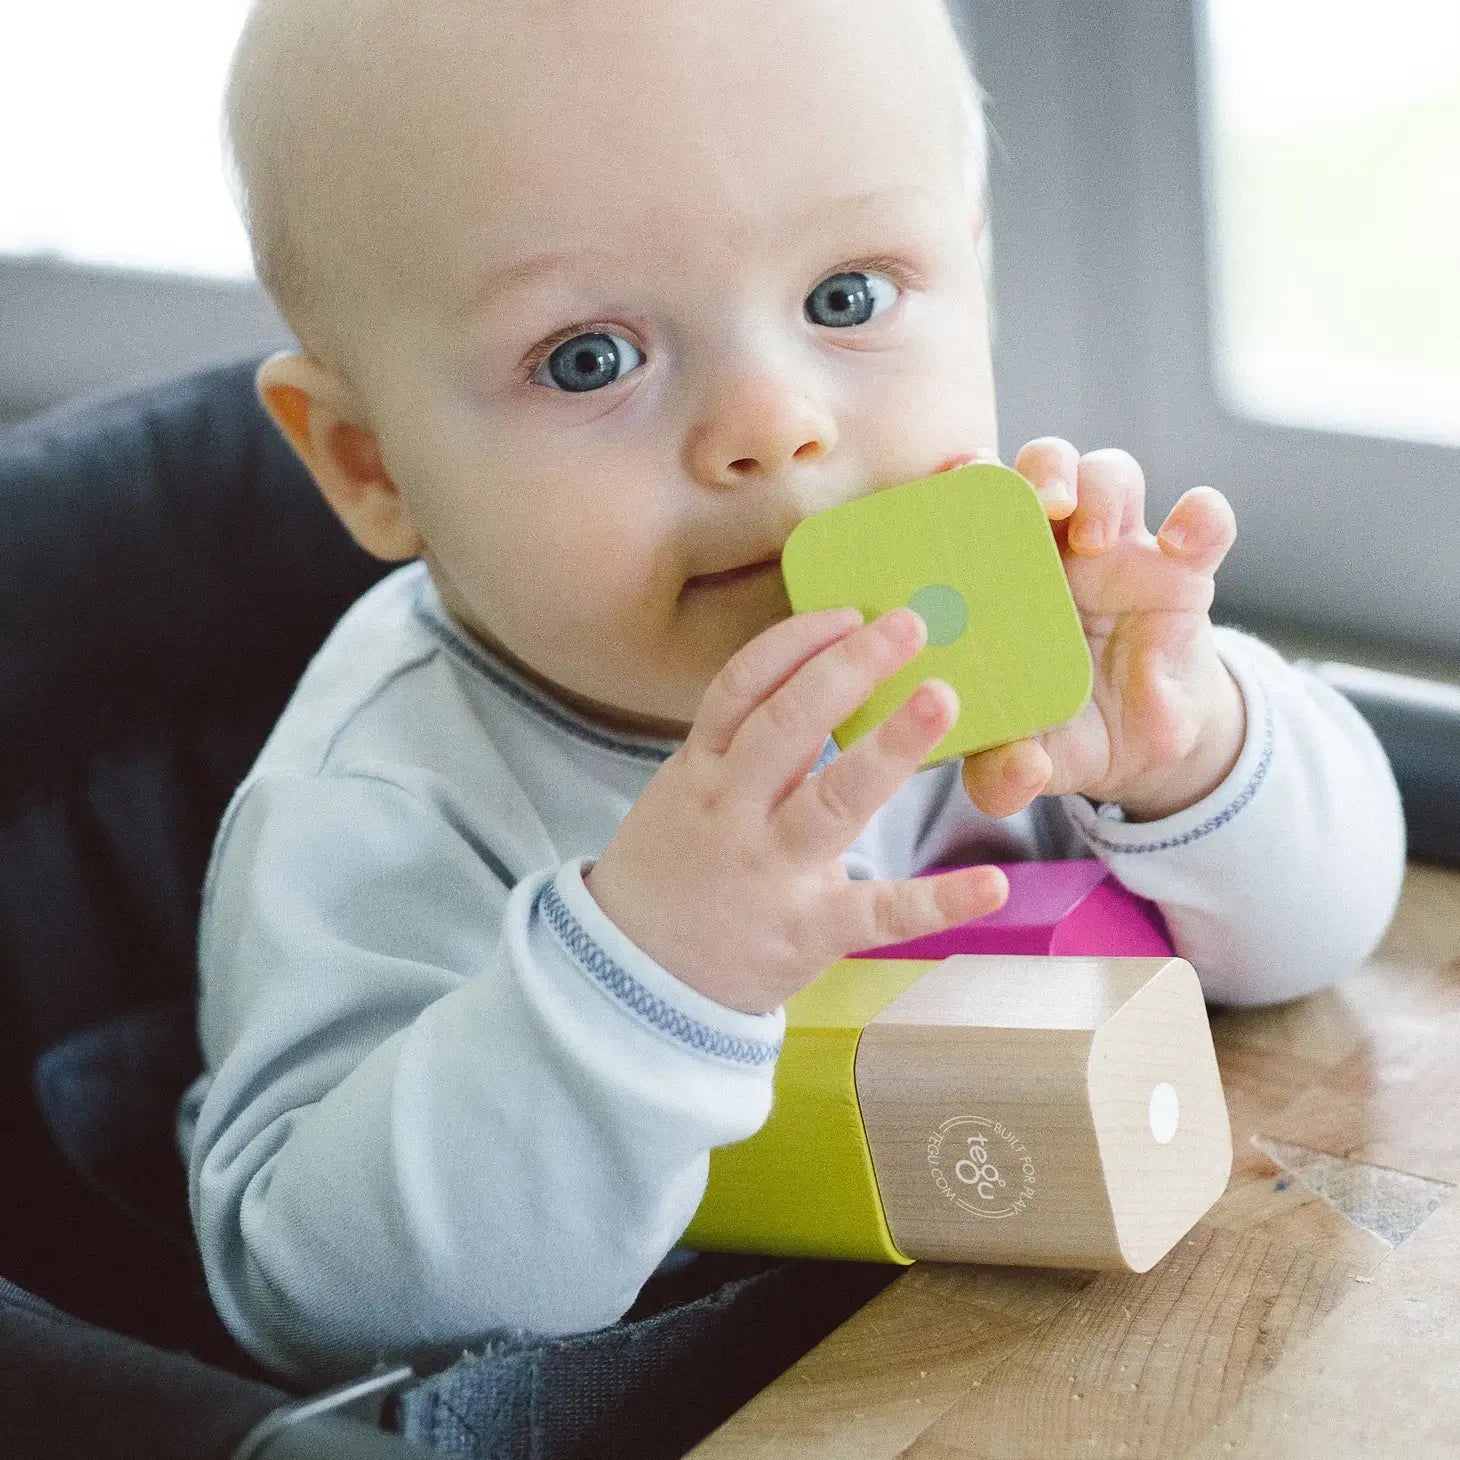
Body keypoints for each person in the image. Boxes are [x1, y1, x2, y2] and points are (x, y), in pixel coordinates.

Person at [178, 0, 1406, 1388]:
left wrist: (1187, 753)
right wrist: (641, 975)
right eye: (590, 357)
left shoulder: (993, 624)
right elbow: (315, 1302)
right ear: (369, 464)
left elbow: (1330, 929)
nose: (775, 420)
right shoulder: (381, 802)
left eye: (848, 298)